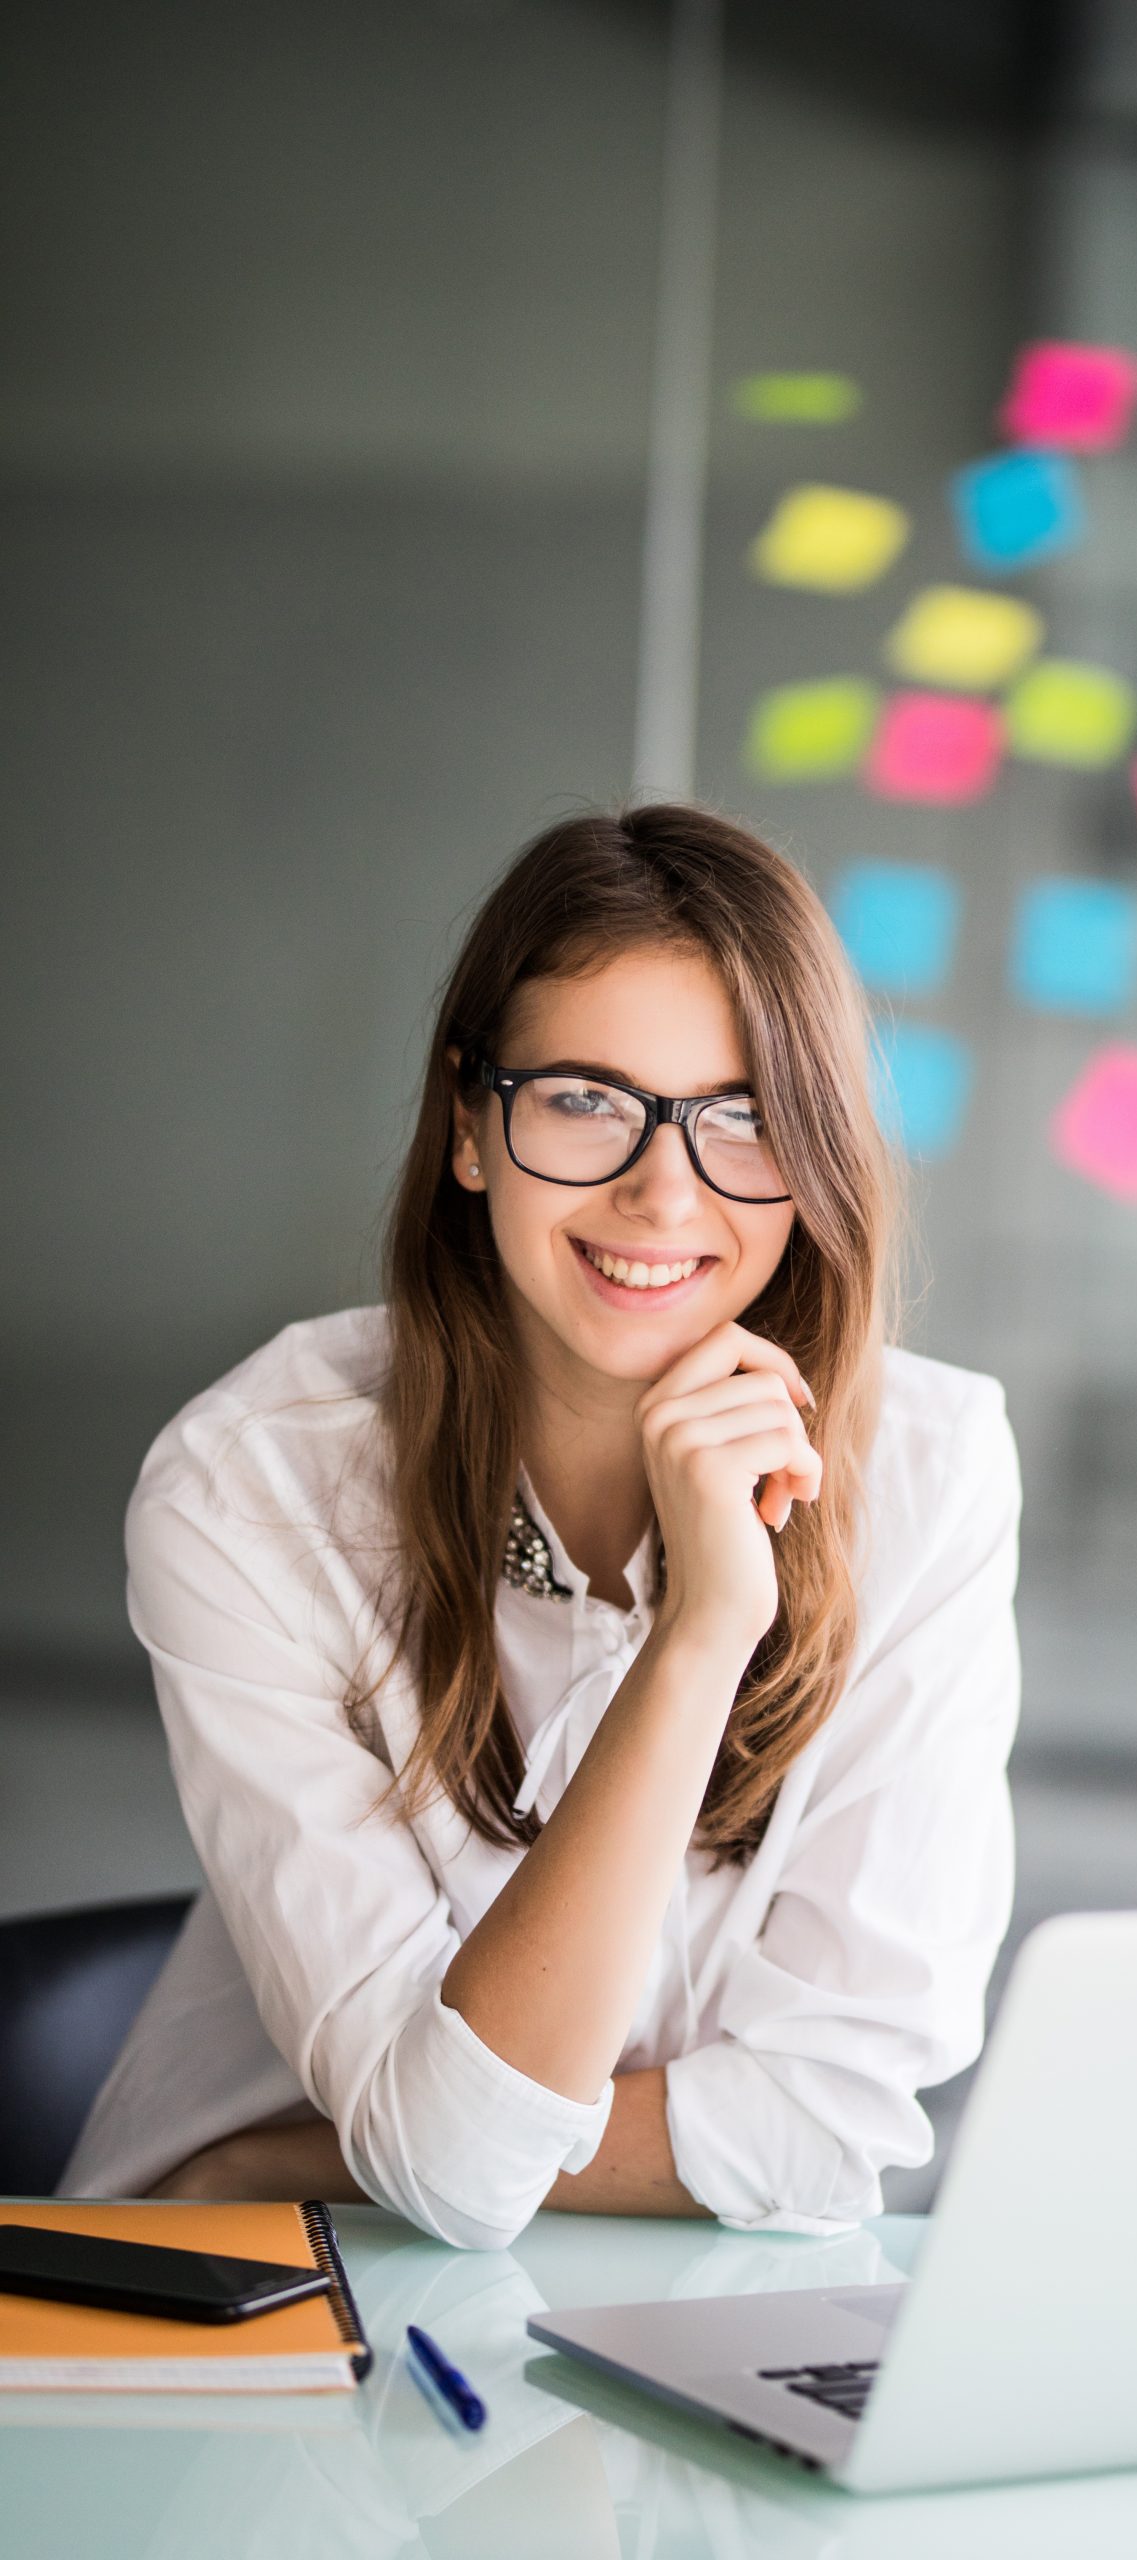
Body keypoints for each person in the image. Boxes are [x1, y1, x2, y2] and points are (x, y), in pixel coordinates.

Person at [60, 803, 1024, 2248]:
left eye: (744, 1115)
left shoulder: (931, 1470)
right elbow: (453, 2175)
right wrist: (701, 1638)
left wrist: (292, 2157)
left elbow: (831, 2127)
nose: (662, 1191)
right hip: (250, 2301)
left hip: (629, 2300)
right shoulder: (251, 1486)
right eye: (585, 1098)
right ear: (469, 1126)